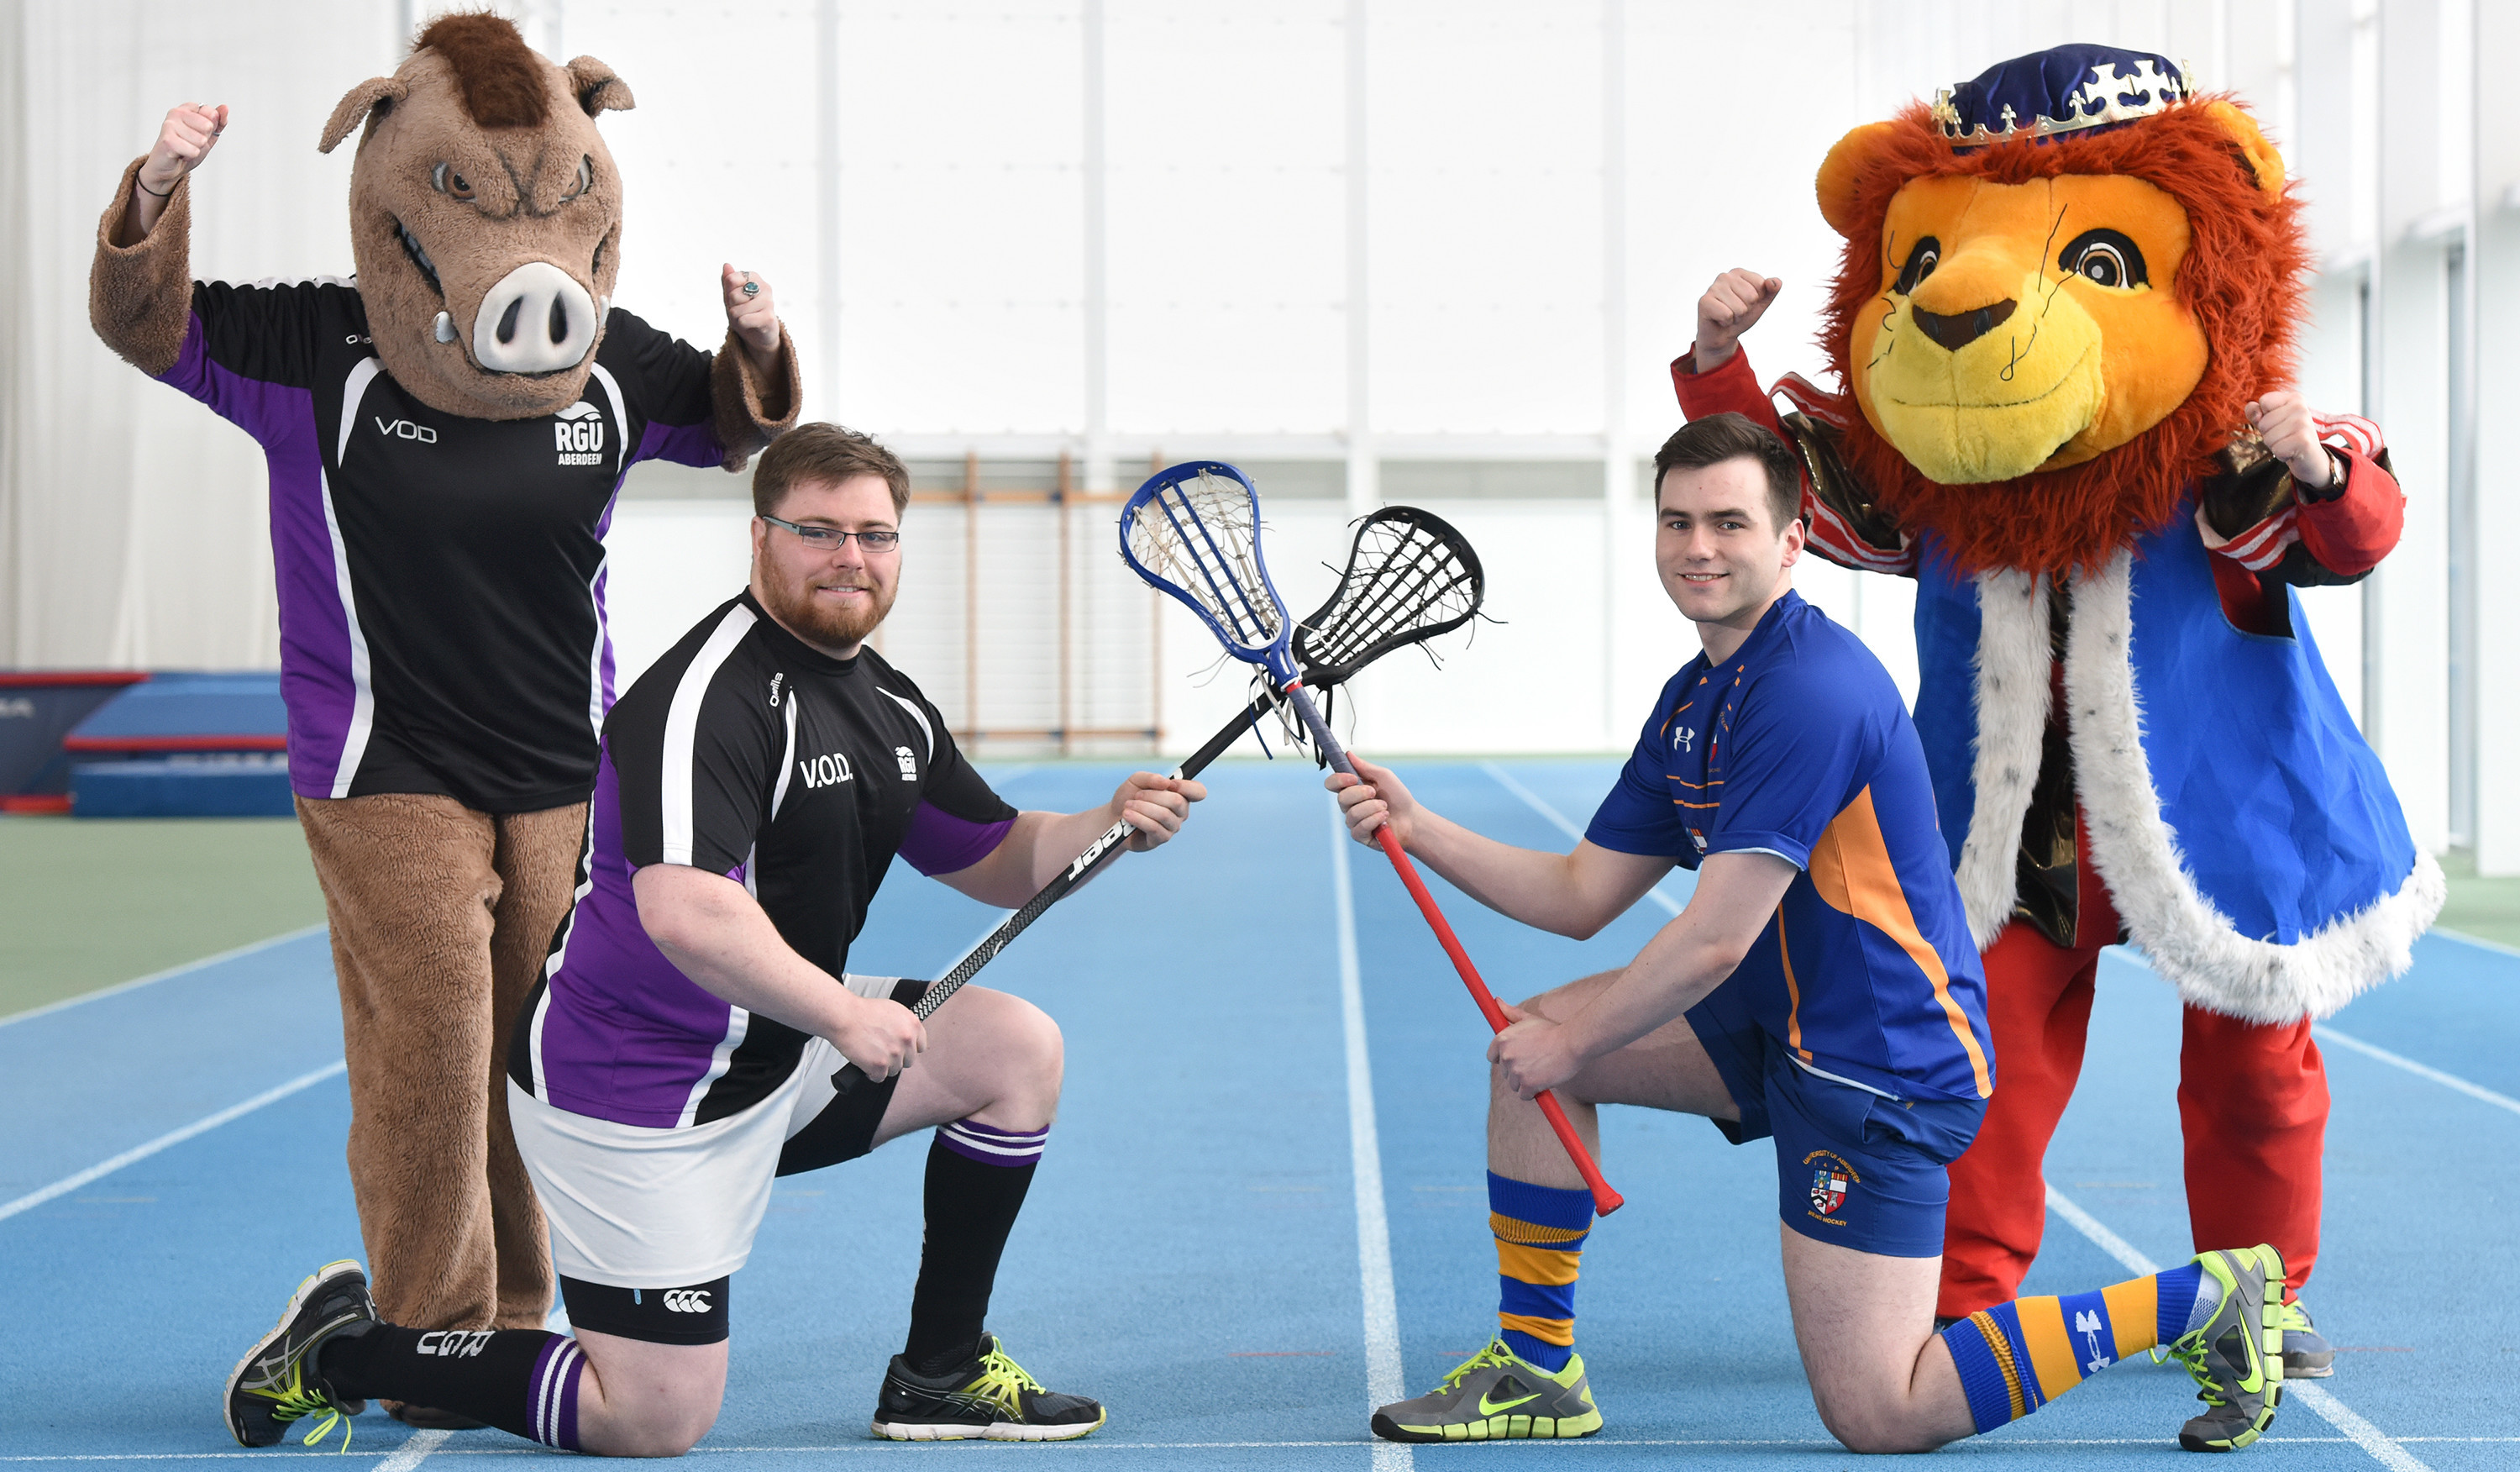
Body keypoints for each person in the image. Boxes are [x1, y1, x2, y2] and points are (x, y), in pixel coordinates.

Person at [223, 425, 1205, 1454]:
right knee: (650, 1418)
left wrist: (1107, 822)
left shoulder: (888, 707)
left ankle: (940, 1372)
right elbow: (687, 910)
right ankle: (343, 1351)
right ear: (760, 536)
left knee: (1016, 1049)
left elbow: (998, 852)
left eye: (875, 535)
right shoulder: (705, 700)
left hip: (770, 1047)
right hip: (634, 1086)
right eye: (818, 531)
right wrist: (844, 1016)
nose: (851, 557)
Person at [93, 17, 802, 1425]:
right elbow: (149, 327)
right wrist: (155, 196)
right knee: (432, 1044)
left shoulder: (606, 370)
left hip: (565, 766)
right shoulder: (318, 349)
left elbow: (736, 423)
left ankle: (523, 1321)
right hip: (385, 764)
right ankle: (424, 1326)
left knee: (548, 1050)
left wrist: (760, 339)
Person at [1331, 414, 2287, 1454]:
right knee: (1536, 1046)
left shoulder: (1809, 690)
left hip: (1879, 1061)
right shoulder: (1699, 696)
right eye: (1678, 522)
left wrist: (1575, 1042)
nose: (1699, 546)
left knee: (1883, 1410)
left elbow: (1711, 942)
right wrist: (1418, 829)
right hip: (1782, 1016)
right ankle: (1535, 1371)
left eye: (1729, 522)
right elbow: (1578, 892)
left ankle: (2203, 1300)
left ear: (1789, 542)